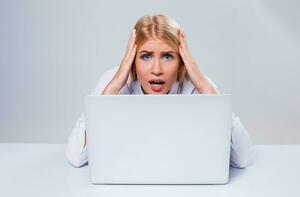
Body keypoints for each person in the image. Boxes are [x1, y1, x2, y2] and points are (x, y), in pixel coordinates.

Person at [65, 14, 253, 168]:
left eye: (168, 56)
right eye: (145, 56)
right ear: (132, 59)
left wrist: (204, 85)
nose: (156, 69)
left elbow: (242, 158)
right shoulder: (112, 81)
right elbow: (76, 156)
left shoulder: (199, 85)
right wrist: (113, 88)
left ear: (181, 60)